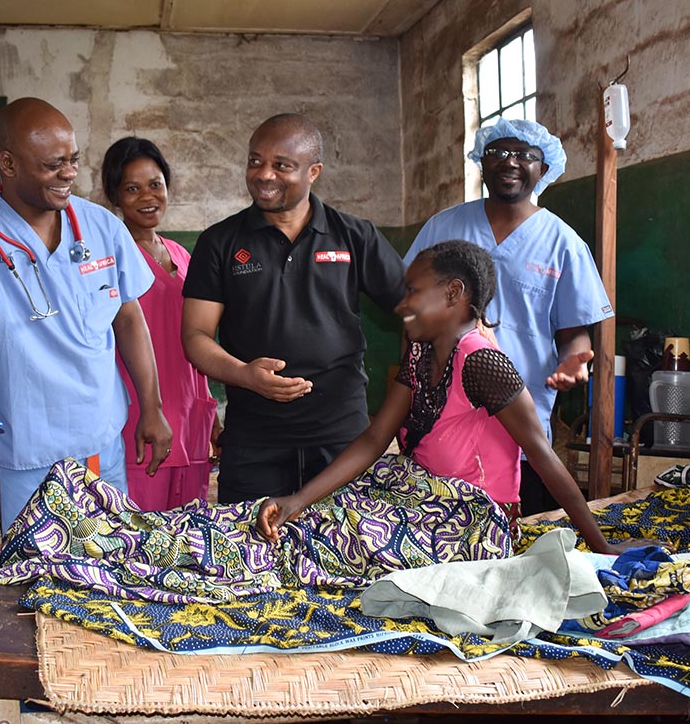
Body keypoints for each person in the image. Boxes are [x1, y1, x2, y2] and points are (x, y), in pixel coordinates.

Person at [257, 240, 655, 556]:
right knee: (321, 514)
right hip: (423, 499)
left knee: (332, 535)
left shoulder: (482, 363)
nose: (401, 304)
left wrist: (601, 544)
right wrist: (298, 500)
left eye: (412, 291)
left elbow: (541, 454)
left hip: (471, 521)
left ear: (453, 293)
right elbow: (374, 439)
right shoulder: (419, 355)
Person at [0, 98, 173, 530]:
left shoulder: (101, 227)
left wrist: (151, 408)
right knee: (30, 584)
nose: (68, 174)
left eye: (73, 160)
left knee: (111, 567)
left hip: (100, 446)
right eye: (52, 164)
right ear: (8, 163)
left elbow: (129, 318)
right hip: (23, 456)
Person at [182, 113, 406, 505]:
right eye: (255, 161)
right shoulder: (219, 242)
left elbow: (413, 311)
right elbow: (195, 335)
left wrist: (472, 325)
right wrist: (244, 375)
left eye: (281, 165)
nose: (264, 174)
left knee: (346, 549)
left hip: (342, 437)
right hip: (254, 438)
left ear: (313, 171)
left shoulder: (355, 236)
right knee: (250, 551)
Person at [403, 119, 614, 516]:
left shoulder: (563, 244)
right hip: (443, 420)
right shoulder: (443, 228)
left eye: (524, 155)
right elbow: (410, 305)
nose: (510, 162)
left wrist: (573, 359)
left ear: (544, 167)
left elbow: (575, 333)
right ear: (481, 163)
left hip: (520, 422)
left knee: (515, 534)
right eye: (497, 153)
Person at [101, 137, 219, 512]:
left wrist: (212, 416)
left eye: (155, 184)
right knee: (142, 532)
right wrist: (150, 412)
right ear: (115, 197)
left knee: (188, 537)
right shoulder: (109, 257)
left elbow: (197, 342)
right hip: (142, 417)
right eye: (132, 189)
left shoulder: (182, 255)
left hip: (191, 413)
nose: (147, 196)